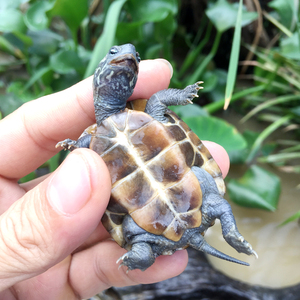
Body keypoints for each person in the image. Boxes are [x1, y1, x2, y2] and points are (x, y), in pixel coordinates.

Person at [0, 59, 230, 299]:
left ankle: (142, 251)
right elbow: (158, 102)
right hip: (162, 214)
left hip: (170, 203)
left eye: (135, 60)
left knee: (135, 228)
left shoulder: (93, 140)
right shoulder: (131, 120)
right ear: (98, 80)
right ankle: (143, 251)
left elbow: (86, 149)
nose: (128, 54)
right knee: (191, 190)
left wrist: (182, 94)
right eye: (114, 54)